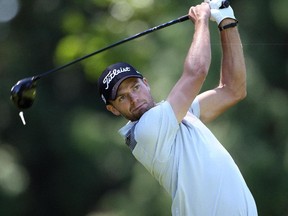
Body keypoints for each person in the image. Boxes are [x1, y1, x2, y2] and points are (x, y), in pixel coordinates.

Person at [97, 0, 258, 215]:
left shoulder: (181, 115)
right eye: (122, 98)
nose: (134, 99)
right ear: (113, 109)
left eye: (135, 87)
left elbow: (233, 89)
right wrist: (201, 20)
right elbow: (197, 72)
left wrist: (226, 21)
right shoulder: (147, 131)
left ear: (146, 83)